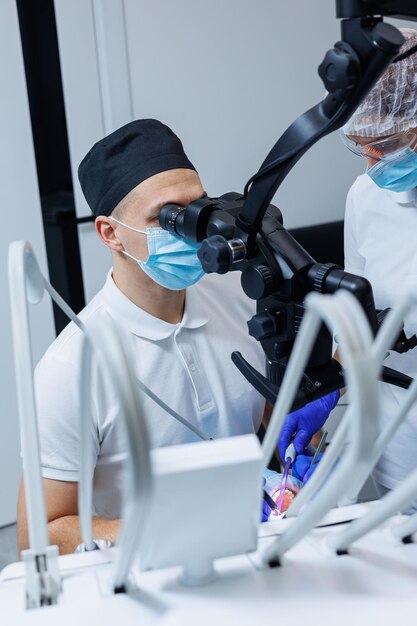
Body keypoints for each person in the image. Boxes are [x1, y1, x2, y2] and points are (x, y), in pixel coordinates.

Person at [17, 119, 321, 552]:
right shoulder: (71, 369)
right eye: (169, 217)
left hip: (252, 548)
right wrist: (163, 531)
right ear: (111, 233)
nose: (193, 231)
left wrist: (303, 439)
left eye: (198, 209)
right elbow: (37, 534)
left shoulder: (239, 297)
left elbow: (279, 414)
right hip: (143, 572)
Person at [340, 27, 417, 511]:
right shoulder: (366, 197)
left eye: (385, 144)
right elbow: (355, 316)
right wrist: (324, 391)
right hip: (400, 456)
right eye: (360, 144)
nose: (371, 162)